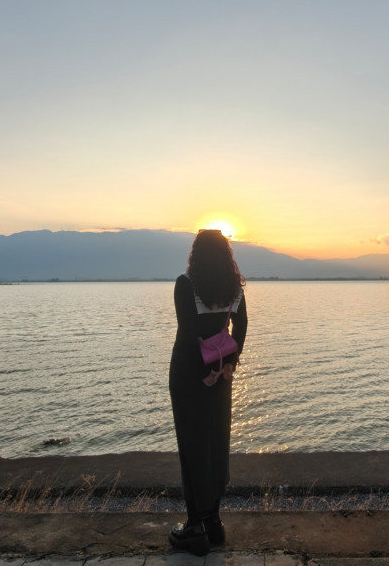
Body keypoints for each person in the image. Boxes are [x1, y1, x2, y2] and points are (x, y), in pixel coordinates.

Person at [168, 229, 248, 555]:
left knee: (193, 447)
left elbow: (188, 334)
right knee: (216, 443)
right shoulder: (233, 287)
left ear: (196, 252)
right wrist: (227, 366)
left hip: (190, 376)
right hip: (222, 375)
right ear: (226, 253)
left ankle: (195, 526)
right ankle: (214, 521)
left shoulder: (185, 284)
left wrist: (204, 375)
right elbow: (241, 326)